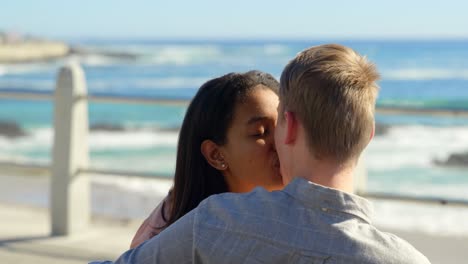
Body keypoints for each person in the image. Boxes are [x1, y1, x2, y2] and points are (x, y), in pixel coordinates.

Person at [91, 44, 430, 264]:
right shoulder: (403, 258)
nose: (272, 145)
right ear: (368, 137)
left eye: (277, 124)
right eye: (258, 133)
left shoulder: (215, 225)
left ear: (291, 127)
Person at [130, 70, 284, 248]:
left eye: (283, 125)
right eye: (261, 132)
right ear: (215, 155)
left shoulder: (284, 212)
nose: (280, 142)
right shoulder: (184, 241)